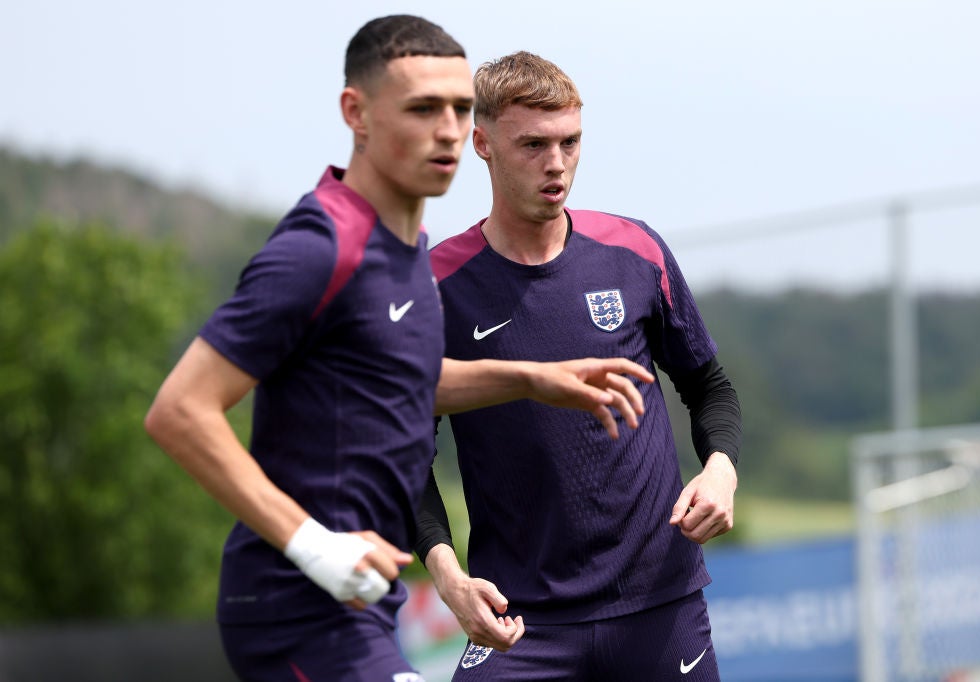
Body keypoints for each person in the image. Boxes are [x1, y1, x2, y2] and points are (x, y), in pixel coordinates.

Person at [144, 21, 654, 682]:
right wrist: (315, 547)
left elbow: (404, 379)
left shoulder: (405, 244)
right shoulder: (320, 248)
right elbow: (180, 411)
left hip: (360, 607)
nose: (447, 130)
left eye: (459, 109)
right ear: (356, 113)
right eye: (422, 109)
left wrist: (532, 378)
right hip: (294, 606)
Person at [415, 51, 742, 681]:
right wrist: (446, 573)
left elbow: (709, 387)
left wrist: (721, 469)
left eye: (570, 142)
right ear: (481, 144)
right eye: (533, 144)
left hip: (661, 607)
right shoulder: (436, 286)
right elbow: (403, 451)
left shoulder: (635, 250)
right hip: (519, 622)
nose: (557, 163)